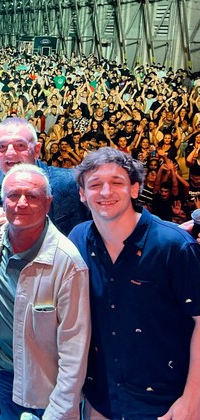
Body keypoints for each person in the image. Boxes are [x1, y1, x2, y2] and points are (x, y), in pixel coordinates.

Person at [68, 147, 200, 419]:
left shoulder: (173, 246)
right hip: (101, 400)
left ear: (135, 189)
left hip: (165, 403)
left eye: (116, 182)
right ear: (82, 194)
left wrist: (192, 398)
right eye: (95, 184)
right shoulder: (78, 239)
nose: (106, 192)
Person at [0, 164, 90, 419]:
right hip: (4, 372)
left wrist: (62, 406)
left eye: (32, 196)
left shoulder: (68, 261)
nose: (21, 203)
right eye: (13, 195)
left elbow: (75, 345)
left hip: (48, 384)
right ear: (3, 203)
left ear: (48, 203)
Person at [0, 117, 87, 235]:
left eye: (20, 145)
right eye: (2, 147)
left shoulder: (70, 181)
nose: (10, 153)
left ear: (37, 150)